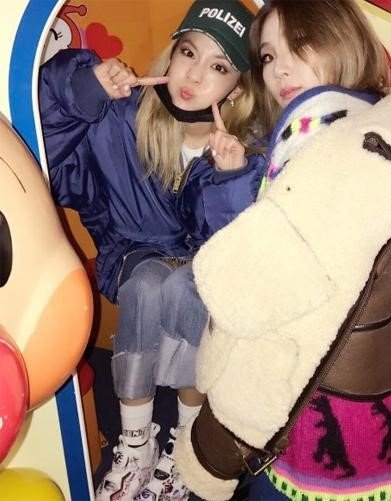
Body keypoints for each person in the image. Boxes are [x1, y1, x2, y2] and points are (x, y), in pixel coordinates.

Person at [38, 1, 267, 500]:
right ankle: (136, 444)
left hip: (205, 267)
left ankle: (187, 444)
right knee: (146, 284)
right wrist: (85, 90)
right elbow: (47, 159)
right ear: (172, 52)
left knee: (187, 288)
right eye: (189, 53)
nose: (195, 76)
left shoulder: (248, 149)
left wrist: (230, 181)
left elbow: (239, 252)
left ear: (237, 88)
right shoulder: (121, 116)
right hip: (133, 252)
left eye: (219, 68)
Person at [173, 1, 391, 501]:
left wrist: (213, 447)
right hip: (361, 394)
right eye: (269, 56)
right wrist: (235, 180)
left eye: (300, 45)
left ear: (343, 39)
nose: (279, 69)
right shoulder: (354, 124)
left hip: (316, 411)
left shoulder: (340, 149)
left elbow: (250, 292)